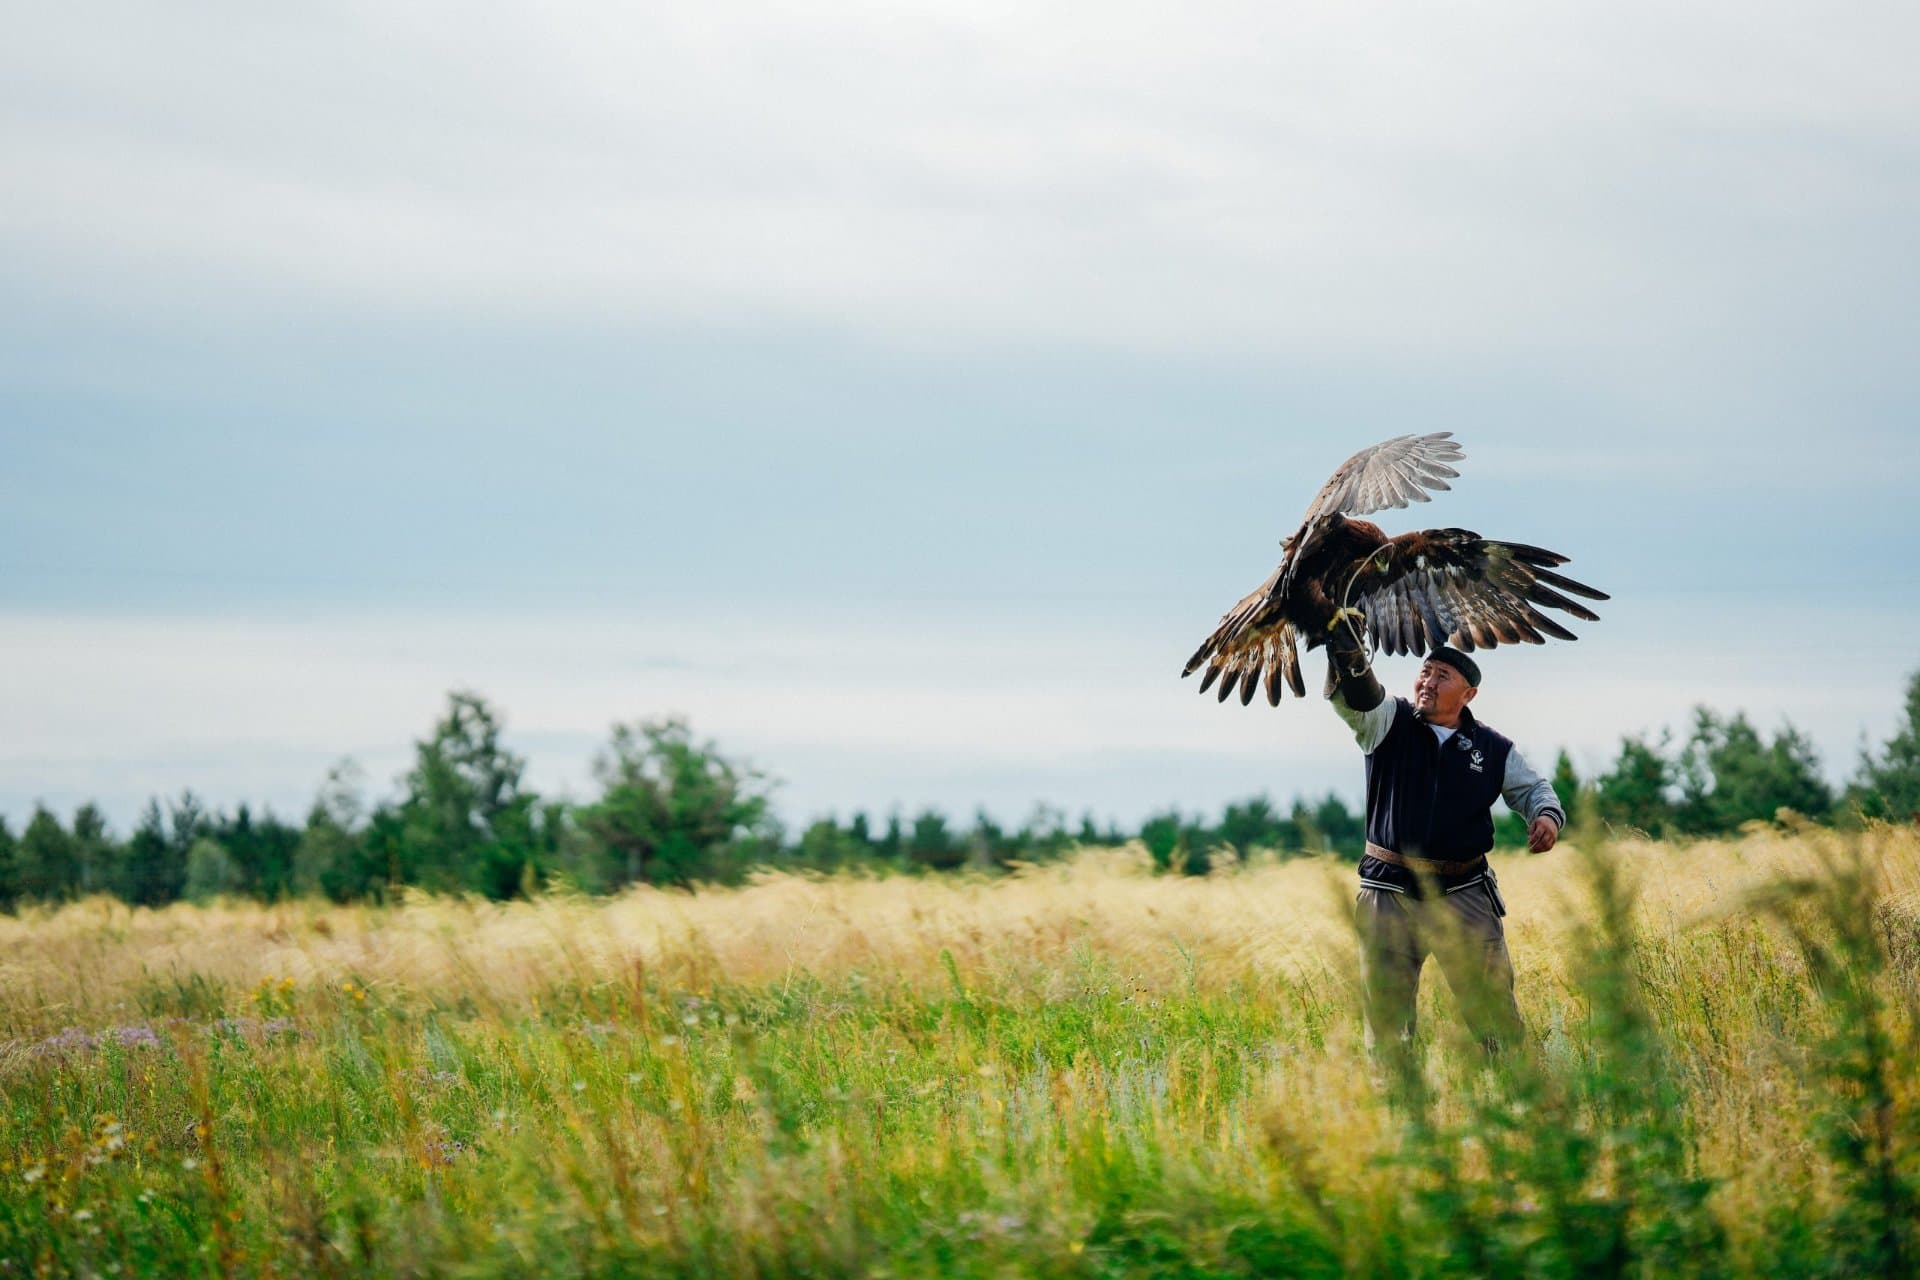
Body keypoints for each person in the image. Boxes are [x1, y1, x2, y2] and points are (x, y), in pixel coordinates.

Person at [1323, 620, 1565, 1064]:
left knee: (1494, 1017)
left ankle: (1513, 1091)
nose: (1428, 682)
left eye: (1442, 676)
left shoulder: (1492, 748)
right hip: (1389, 894)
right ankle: (1396, 1099)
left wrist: (1546, 816)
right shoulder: (1387, 722)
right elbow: (1357, 698)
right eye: (1425, 671)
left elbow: (1533, 789)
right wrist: (1343, 647)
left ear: (1468, 694)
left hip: (1463, 891)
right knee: (1388, 1024)